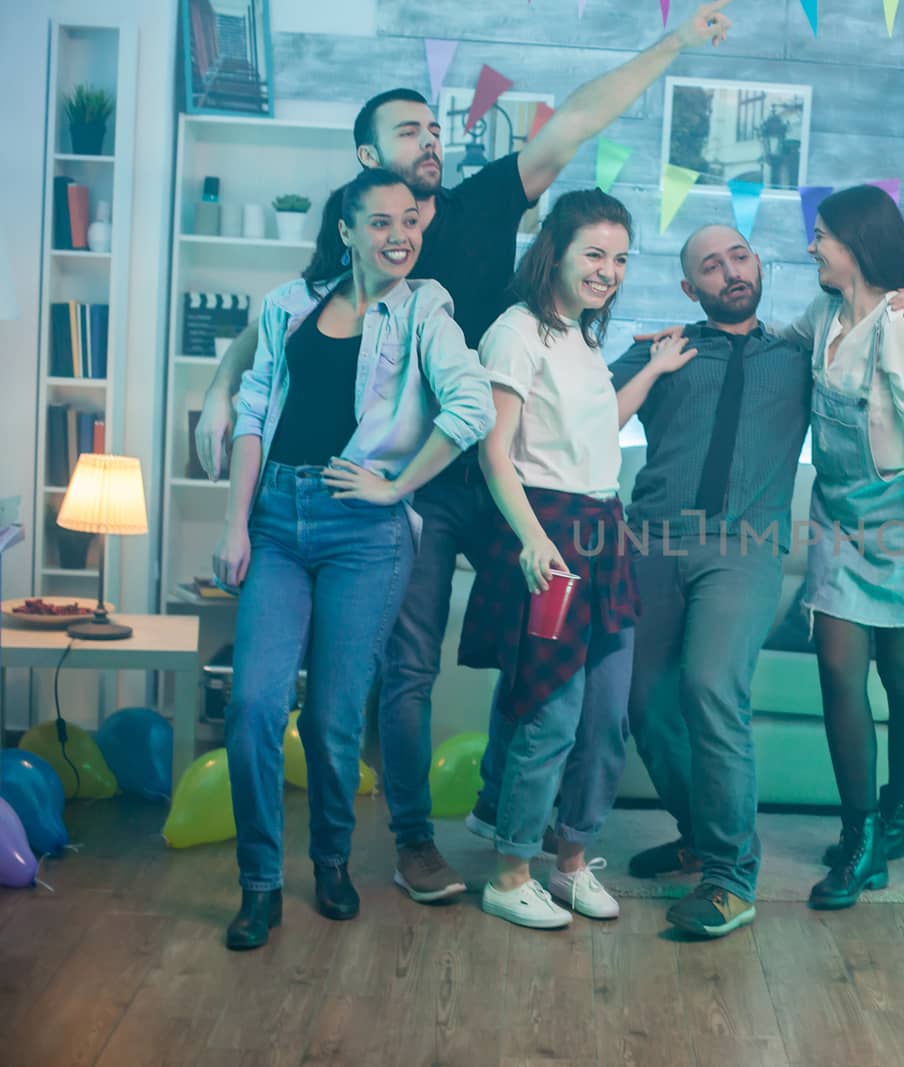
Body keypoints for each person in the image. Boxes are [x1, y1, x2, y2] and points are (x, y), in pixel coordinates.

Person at [189, 0, 737, 906]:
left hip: (518, 473)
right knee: (407, 663)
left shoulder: (485, 198)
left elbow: (577, 121)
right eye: (410, 129)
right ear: (368, 159)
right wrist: (217, 385)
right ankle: (413, 840)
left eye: (436, 127)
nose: (432, 139)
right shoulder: (362, 233)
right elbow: (276, 329)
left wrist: (675, 41)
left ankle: (521, 834)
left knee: (544, 653)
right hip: (422, 490)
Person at [609, 224, 904, 937]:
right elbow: (577, 414)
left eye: (738, 257)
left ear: (758, 267)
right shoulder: (660, 352)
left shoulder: (800, 352)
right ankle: (698, 832)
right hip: (652, 541)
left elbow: (893, 352)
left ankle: (731, 877)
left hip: (746, 546)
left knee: (710, 686)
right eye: (710, 265)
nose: (729, 271)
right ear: (688, 288)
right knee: (642, 699)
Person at [212, 170, 494, 951]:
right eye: (379, 222)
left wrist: (397, 484)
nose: (398, 235)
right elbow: (253, 411)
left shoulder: (423, 310)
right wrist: (234, 522)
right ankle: (260, 883)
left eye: (409, 220)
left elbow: (473, 404)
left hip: (363, 535)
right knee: (254, 708)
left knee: (335, 718)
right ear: (346, 229)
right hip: (274, 518)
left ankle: (330, 860)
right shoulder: (287, 306)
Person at [458, 189, 639, 931]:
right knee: (549, 709)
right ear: (555, 252)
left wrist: (652, 371)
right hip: (549, 529)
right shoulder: (516, 330)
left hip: (602, 526)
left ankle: (568, 862)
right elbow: (493, 448)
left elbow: (596, 437)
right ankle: (510, 870)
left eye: (621, 258)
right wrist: (534, 540)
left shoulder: (584, 338)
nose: (608, 270)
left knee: (605, 710)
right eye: (594, 253)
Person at [786, 185, 904, 911]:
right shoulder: (823, 314)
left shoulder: (902, 323)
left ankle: (897, 817)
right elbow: (776, 338)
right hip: (836, 519)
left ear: (857, 242)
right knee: (838, 672)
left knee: (902, 676)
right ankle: (860, 837)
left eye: (822, 235)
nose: (811, 247)